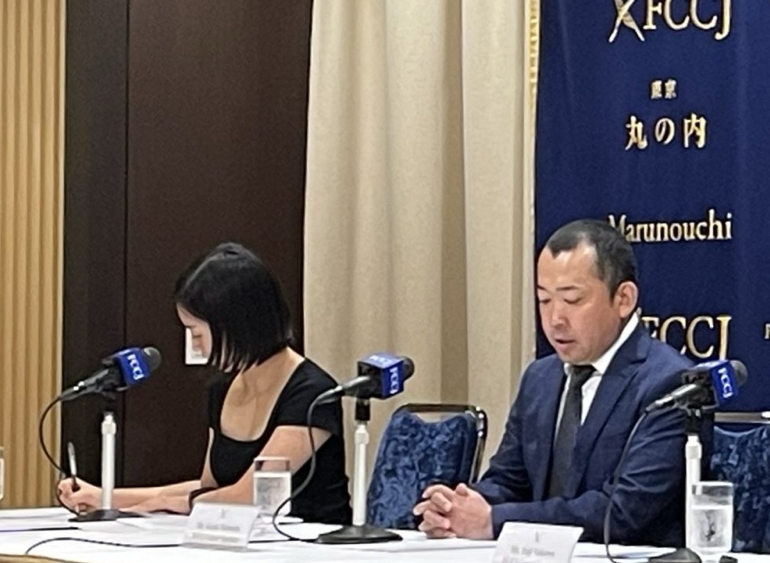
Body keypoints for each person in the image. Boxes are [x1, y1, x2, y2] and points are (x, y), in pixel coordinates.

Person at [417, 219, 689, 543]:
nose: (555, 319)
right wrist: (455, 509)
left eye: (572, 300)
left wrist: (494, 522)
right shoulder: (540, 378)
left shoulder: (669, 384)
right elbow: (510, 482)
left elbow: (622, 512)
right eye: (544, 300)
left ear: (624, 299)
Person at [58, 242, 350, 521]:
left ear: (239, 324)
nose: (196, 347)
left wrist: (178, 503)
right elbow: (211, 490)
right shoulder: (223, 389)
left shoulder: (312, 394)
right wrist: (104, 497)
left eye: (197, 334)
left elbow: (250, 494)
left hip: (308, 545)